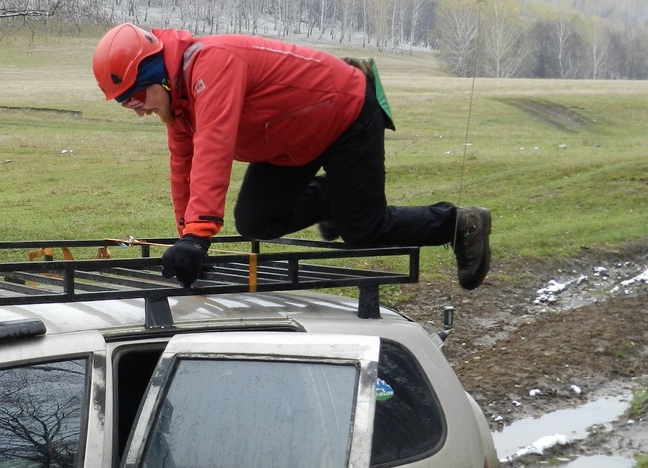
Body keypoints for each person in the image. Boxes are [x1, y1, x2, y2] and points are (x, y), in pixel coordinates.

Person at [92, 23, 492, 290]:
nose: (138, 110)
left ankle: (460, 223)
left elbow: (214, 146)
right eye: (126, 104)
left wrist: (198, 237)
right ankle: (334, 196)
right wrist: (187, 237)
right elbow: (184, 166)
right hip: (290, 140)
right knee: (256, 221)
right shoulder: (176, 106)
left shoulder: (212, 63)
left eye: (136, 98)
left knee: (364, 229)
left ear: (157, 75)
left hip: (344, 112)